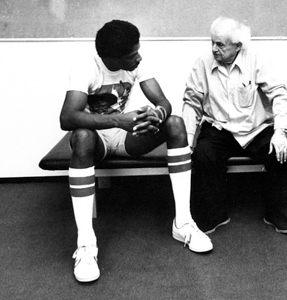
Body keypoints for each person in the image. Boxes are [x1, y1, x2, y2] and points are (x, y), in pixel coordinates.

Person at [60, 20, 212, 283]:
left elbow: (164, 102)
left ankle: (183, 223)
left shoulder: (137, 64)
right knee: (81, 137)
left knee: (174, 123)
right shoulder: (86, 67)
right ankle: (86, 245)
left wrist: (156, 115)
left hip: (125, 135)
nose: (138, 57)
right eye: (132, 54)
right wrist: (119, 120)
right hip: (97, 138)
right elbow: (67, 118)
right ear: (112, 57)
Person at [182, 17, 287, 236]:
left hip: (254, 129)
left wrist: (280, 132)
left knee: (284, 153)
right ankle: (215, 215)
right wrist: (187, 140)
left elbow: (279, 94)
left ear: (238, 46)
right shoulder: (203, 62)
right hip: (219, 128)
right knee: (203, 155)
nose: (214, 49)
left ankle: (274, 212)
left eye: (220, 45)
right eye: (212, 43)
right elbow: (191, 102)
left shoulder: (257, 59)